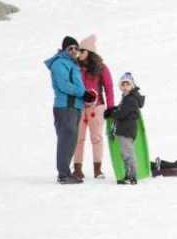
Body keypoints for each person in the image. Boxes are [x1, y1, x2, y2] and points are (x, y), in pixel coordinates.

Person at [45, 36, 94, 184]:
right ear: (64, 50)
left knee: (71, 140)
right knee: (66, 139)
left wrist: (87, 95)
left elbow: (77, 86)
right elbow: (64, 85)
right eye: (70, 48)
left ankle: (66, 172)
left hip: (75, 106)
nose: (73, 51)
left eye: (76, 48)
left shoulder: (74, 65)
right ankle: (63, 174)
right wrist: (82, 93)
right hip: (65, 106)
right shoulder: (60, 63)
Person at [71, 35, 115, 181]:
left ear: (89, 51)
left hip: (96, 108)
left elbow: (109, 88)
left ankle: (98, 169)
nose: (78, 53)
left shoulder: (101, 68)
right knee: (78, 138)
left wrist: (110, 108)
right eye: (78, 50)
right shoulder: (75, 66)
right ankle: (77, 169)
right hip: (79, 108)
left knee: (96, 138)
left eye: (81, 50)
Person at [104, 73, 145, 185]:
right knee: (125, 153)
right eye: (123, 84)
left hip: (126, 130)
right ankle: (128, 174)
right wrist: (114, 110)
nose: (125, 87)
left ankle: (133, 176)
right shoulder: (127, 98)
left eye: (127, 84)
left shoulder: (130, 99)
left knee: (128, 153)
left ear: (132, 85)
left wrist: (112, 113)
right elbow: (122, 110)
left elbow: (122, 113)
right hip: (125, 129)